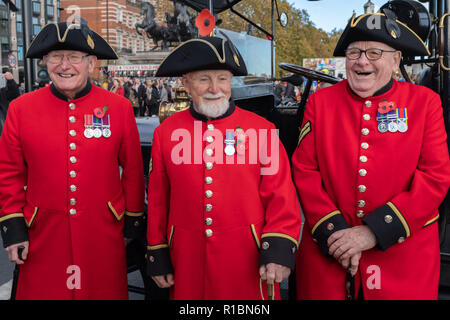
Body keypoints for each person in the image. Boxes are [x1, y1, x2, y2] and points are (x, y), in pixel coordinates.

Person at [292, 9, 450, 300]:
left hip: (402, 260)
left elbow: (435, 177)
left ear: (396, 60)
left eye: (375, 52)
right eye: (354, 53)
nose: (362, 61)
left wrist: (374, 232)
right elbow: (305, 171)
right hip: (330, 253)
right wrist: (335, 234)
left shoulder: (425, 103)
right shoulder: (321, 103)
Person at [146, 36, 301, 300]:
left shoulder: (262, 130)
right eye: (204, 79)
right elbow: (159, 198)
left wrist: (277, 248)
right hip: (186, 258)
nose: (214, 88)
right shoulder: (166, 133)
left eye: (222, 78)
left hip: (247, 257)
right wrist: (157, 250)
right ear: (186, 83)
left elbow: (281, 196)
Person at [0, 21, 145, 299]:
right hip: (42, 236)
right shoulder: (20, 109)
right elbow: (8, 173)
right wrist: (13, 228)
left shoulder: (119, 107)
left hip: (102, 234)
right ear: (45, 60)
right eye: (56, 57)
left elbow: (133, 170)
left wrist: (132, 220)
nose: (64, 65)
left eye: (74, 57)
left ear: (91, 63)